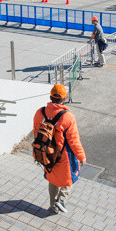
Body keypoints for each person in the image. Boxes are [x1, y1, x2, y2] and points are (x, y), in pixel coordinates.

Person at [33, 84, 87, 214]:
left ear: (51, 97)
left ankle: (53, 206)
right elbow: (74, 140)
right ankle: (61, 200)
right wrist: (81, 156)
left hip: (46, 153)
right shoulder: (68, 117)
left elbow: (36, 132)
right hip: (63, 155)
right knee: (71, 176)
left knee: (53, 178)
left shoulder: (40, 112)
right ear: (64, 99)